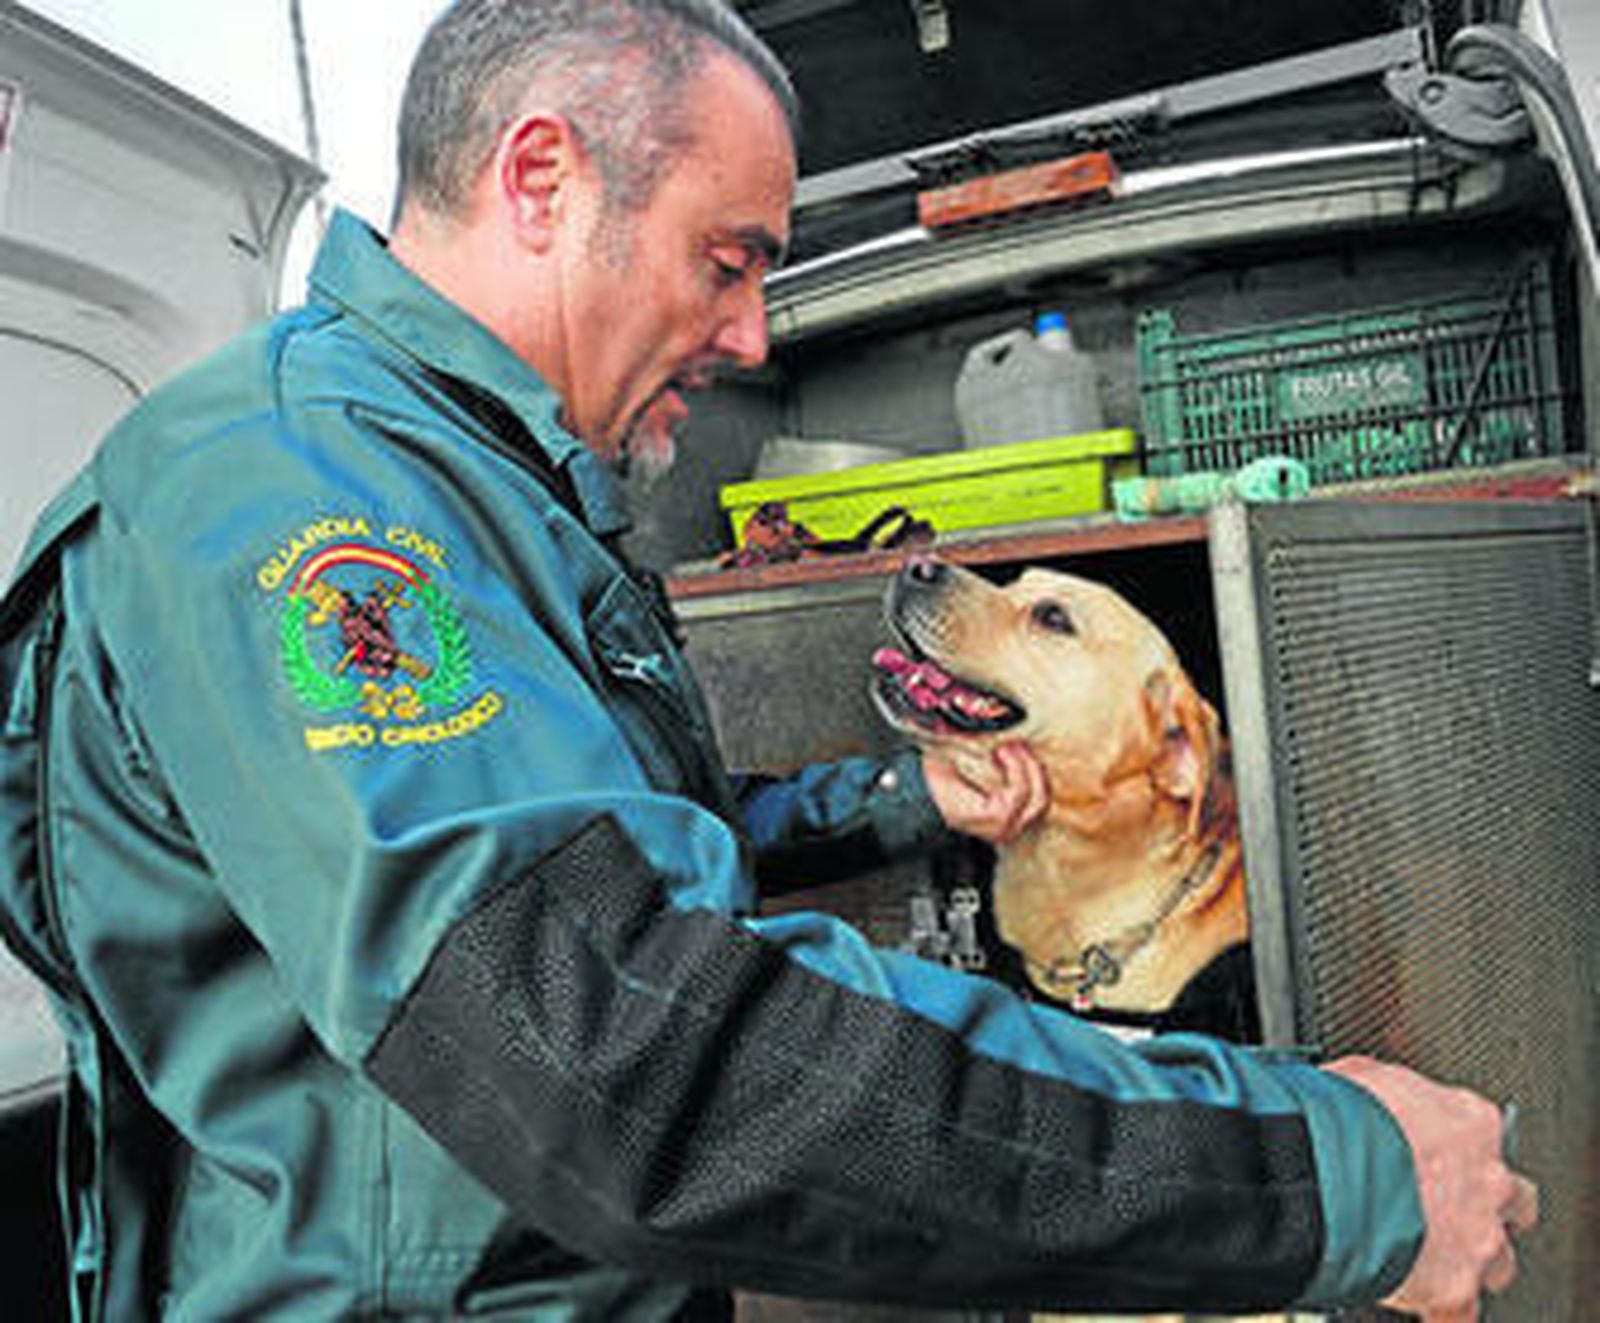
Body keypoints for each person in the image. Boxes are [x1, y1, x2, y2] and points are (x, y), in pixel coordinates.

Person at [0, 1, 1536, 1319]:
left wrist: (904, 802)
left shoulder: (468, 480)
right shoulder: (309, 495)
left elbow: (592, 863)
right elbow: (637, 1060)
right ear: (542, 177)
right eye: (727, 260)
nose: (750, 335)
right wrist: (1320, 1173)